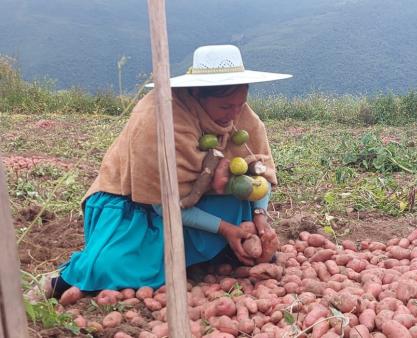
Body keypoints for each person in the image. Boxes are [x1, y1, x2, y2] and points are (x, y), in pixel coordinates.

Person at [40, 45, 292, 302]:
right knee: (111, 266)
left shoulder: (239, 113)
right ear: (197, 94)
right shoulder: (159, 120)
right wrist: (226, 229)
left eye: (240, 104)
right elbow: (164, 205)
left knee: (240, 203)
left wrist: (260, 215)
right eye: (226, 107)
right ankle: (59, 281)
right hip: (134, 206)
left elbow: (262, 171)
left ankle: (212, 252)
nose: (234, 114)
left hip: (195, 201)